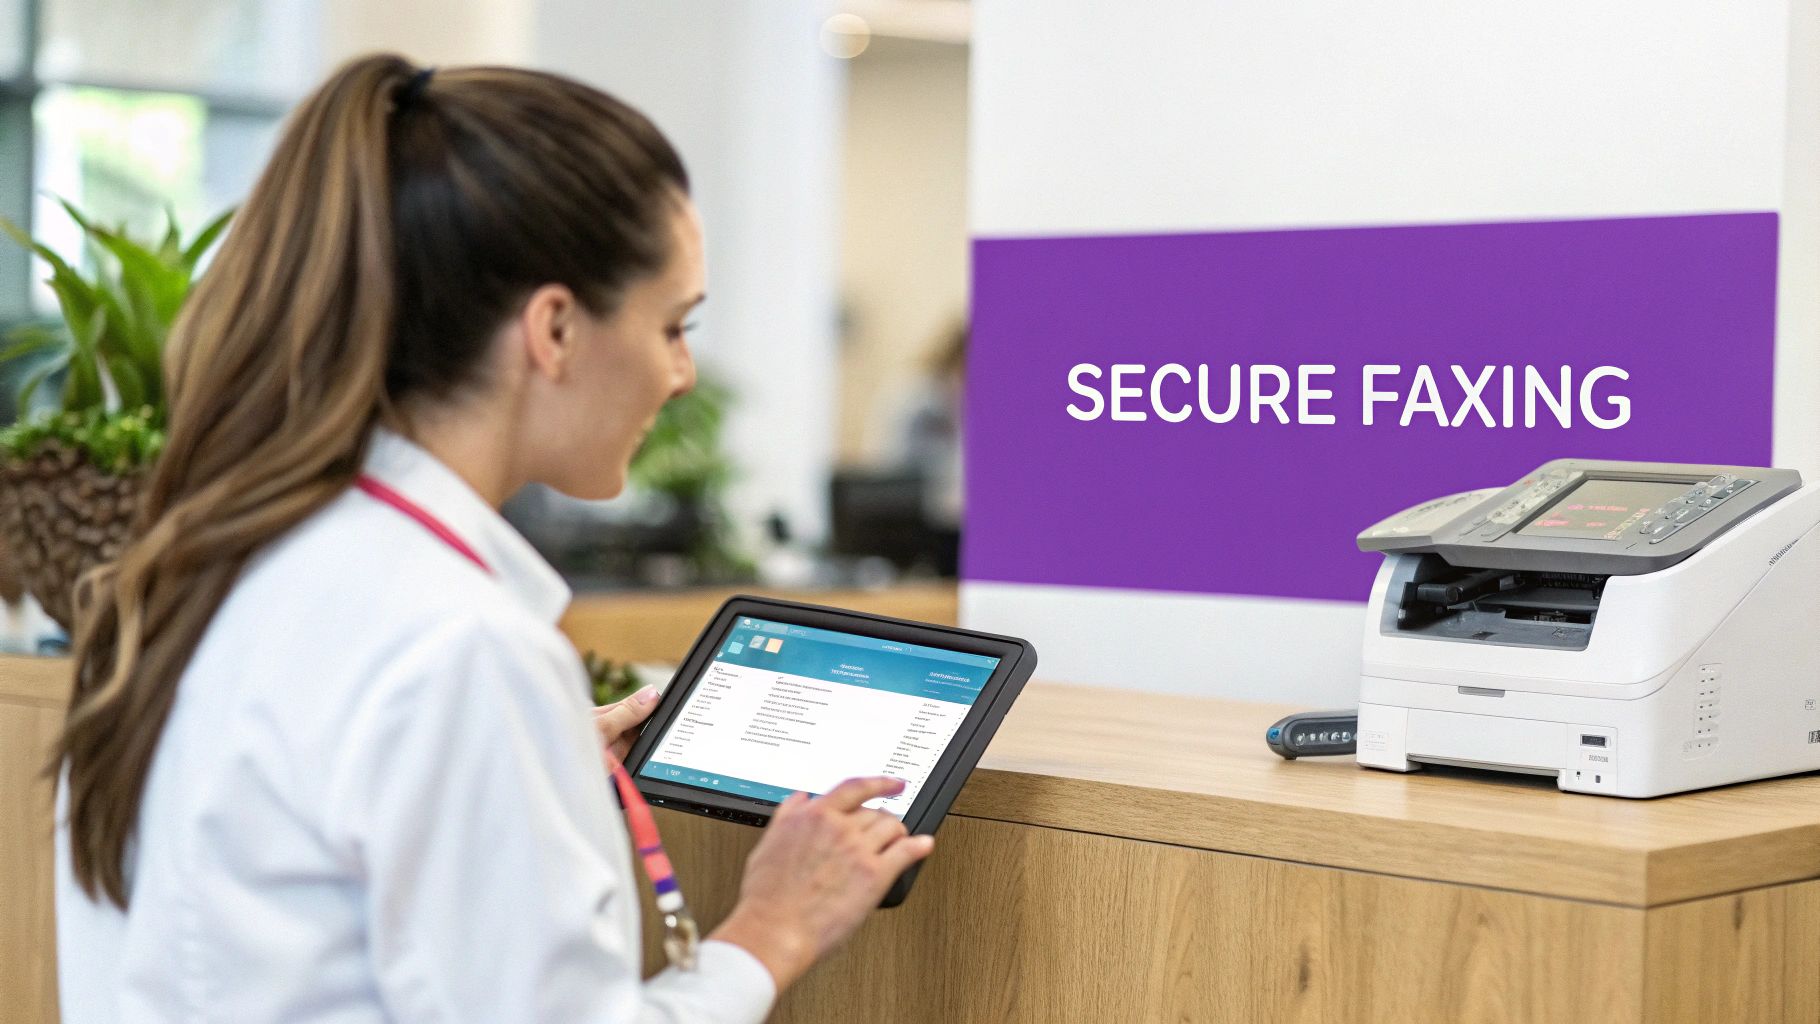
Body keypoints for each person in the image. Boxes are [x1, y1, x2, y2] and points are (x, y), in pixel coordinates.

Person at [51, 54, 932, 1023]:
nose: (682, 375)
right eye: (673, 326)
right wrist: (773, 927)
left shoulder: (201, 575)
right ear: (552, 329)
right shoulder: (462, 651)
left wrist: (523, 768)